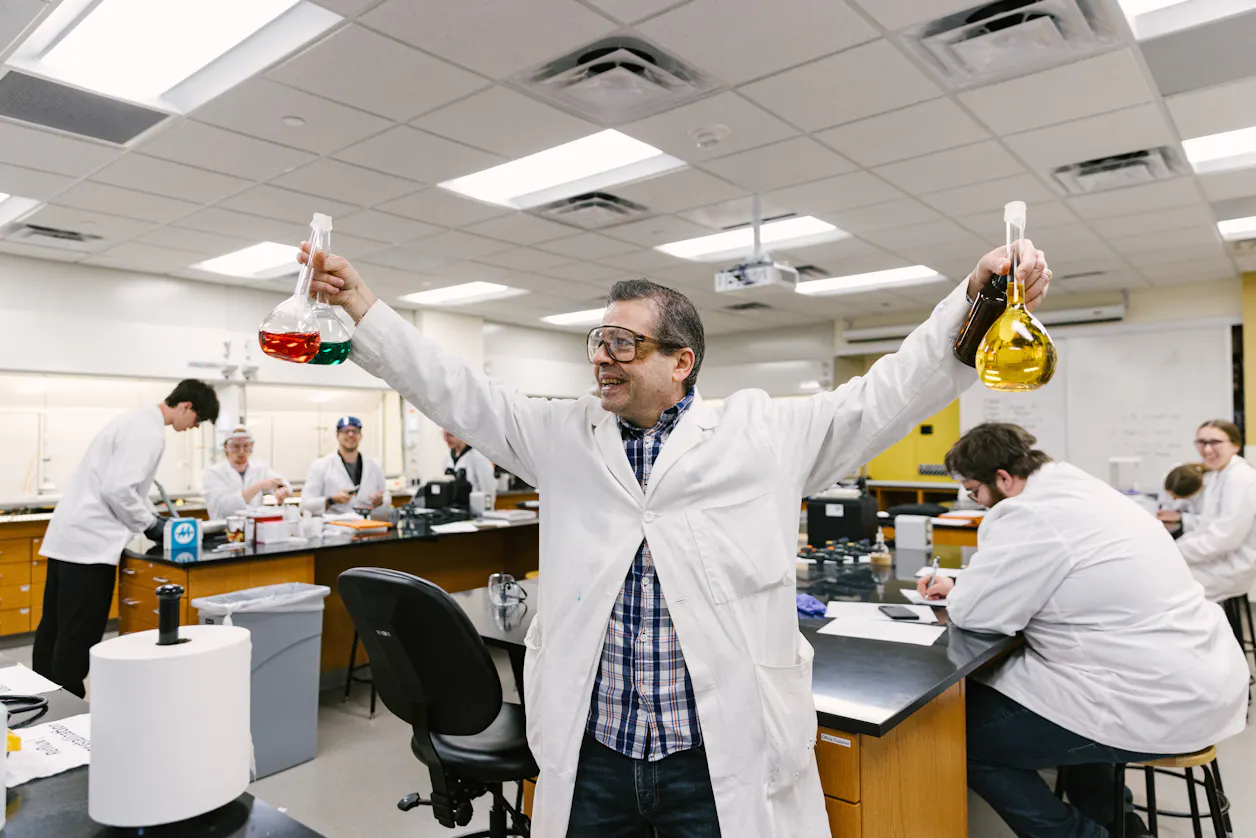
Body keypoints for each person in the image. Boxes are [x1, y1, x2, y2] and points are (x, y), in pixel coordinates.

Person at [300, 236, 1050, 837]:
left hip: (715, 753)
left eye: (624, 343)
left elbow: (888, 393)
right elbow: (451, 385)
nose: (602, 355)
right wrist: (363, 307)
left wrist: (977, 302)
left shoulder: (764, 433)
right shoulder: (561, 435)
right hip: (596, 751)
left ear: (680, 362)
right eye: (598, 340)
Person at [920, 423, 1249, 838]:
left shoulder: (1029, 512)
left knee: (963, 738)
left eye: (974, 491)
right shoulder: (1077, 488)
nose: (977, 501)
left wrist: (962, 593)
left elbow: (978, 615)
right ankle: (1124, 828)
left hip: (1152, 694)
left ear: (1002, 478)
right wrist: (970, 587)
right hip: (1198, 674)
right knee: (1066, 716)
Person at [35, 380, 219, 698]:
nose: (193, 428)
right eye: (197, 421)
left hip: (70, 540)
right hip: (91, 546)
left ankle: (42, 702)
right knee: (77, 635)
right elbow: (118, 490)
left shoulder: (133, 419)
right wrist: (150, 525)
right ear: (187, 407)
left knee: (53, 626)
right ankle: (68, 712)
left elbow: (127, 488)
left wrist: (153, 517)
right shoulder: (149, 432)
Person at [1157, 420, 1256, 602]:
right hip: (1217, 558)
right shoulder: (1219, 475)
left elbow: (1224, 539)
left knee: (1158, 583)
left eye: (1215, 442)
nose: (1207, 449)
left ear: (1235, 445)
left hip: (1230, 566)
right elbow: (1206, 526)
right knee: (1156, 573)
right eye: (1201, 443)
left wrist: (1173, 552)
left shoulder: (1241, 478)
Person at [302, 416, 391, 516]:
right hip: (335, 528)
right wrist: (331, 500)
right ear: (337, 435)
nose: (350, 434)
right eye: (345, 431)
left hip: (370, 526)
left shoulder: (374, 465)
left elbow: (386, 495)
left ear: (361, 436)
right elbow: (305, 505)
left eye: (355, 431)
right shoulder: (320, 465)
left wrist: (380, 501)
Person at [202, 425, 289, 519]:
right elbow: (223, 509)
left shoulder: (259, 468)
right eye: (236, 446)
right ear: (226, 447)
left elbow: (283, 482)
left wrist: (282, 490)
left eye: (246, 446)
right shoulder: (213, 473)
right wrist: (258, 486)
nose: (242, 451)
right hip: (225, 530)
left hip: (254, 528)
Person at [442, 430, 496, 497]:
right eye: (444, 435)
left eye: (450, 435)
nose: (446, 439)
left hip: (474, 505)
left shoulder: (479, 456)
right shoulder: (448, 455)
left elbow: (488, 491)